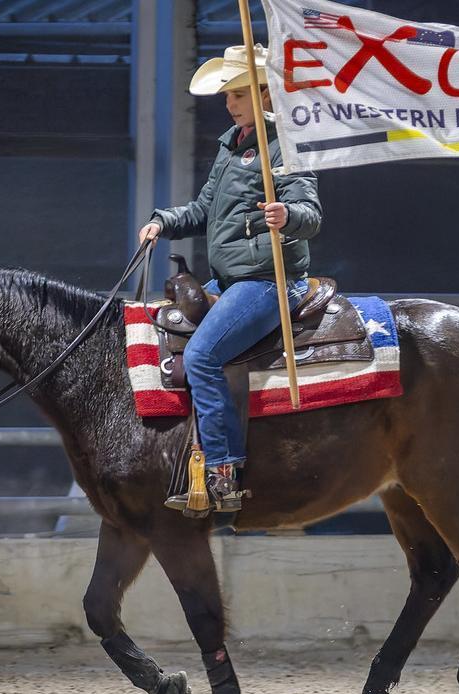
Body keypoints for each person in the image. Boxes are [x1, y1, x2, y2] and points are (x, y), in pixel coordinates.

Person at [139, 44, 322, 514]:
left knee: (201, 356)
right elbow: (204, 210)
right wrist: (164, 220)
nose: (228, 102)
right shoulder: (230, 145)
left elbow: (311, 214)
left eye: (238, 93)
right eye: (227, 94)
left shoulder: (286, 146)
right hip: (231, 279)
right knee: (161, 329)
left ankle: (222, 471)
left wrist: (288, 214)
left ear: (263, 94)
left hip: (268, 281)